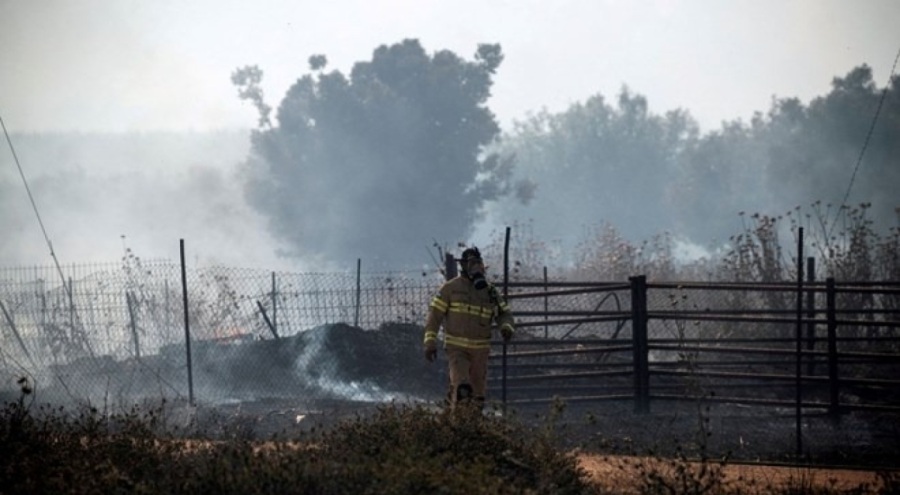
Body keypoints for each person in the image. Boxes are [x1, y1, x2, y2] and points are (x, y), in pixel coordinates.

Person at [423, 247, 515, 410]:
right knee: (462, 388)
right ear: (463, 265)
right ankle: (457, 427)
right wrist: (430, 342)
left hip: (480, 351)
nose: (476, 267)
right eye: (472, 263)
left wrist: (506, 327)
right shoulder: (451, 288)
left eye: (479, 263)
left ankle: (468, 428)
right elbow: (435, 315)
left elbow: (504, 313)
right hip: (457, 349)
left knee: (478, 396)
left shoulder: (489, 291)